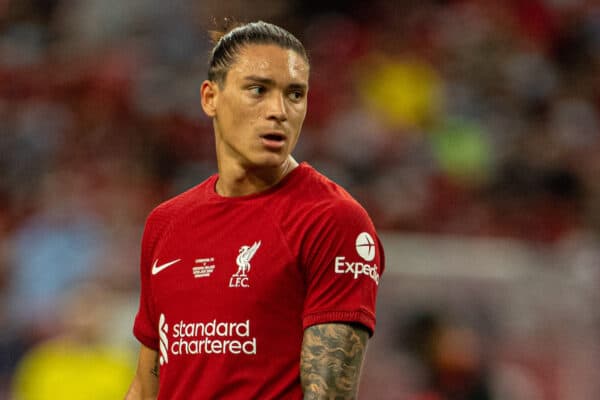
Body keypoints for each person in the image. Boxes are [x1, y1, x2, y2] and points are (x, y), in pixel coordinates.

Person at [125, 20, 384, 399]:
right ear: (210, 97)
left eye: (295, 94)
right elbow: (148, 388)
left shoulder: (333, 220)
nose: (279, 110)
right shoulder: (165, 224)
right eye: (258, 90)